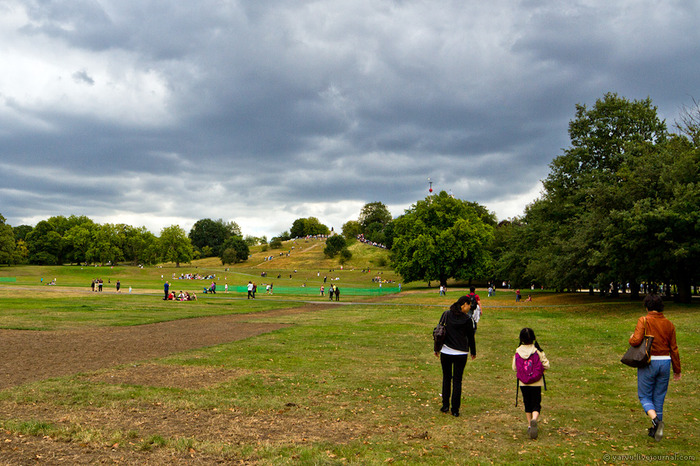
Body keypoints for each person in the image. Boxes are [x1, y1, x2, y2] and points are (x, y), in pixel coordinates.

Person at [629, 294, 681, 441]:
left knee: (644, 395)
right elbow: (674, 348)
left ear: (647, 307)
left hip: (650, 361)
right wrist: (677, 369)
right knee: (659, 397)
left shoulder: (644, 320)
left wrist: (631, 337)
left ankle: (656, 422)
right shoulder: (669, 324)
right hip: (665, 362)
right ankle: (656, 431)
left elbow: (636, 340)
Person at [434, 296, 477, 417]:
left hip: (446, 352)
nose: (469, 308)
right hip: (461, 353)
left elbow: (439, 331)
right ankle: (455, 409)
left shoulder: (446, 314)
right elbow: (470, 337)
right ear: (463, 304)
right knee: (457, 380)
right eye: (469, 305)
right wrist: (473, 351)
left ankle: (445, 405)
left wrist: (436, 348)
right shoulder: (467, 319)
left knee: (446, 378)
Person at [513, 327, 550, 439]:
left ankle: (530, 424)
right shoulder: (537, 350)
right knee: (536, 403)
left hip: (523, 383)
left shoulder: (518, 351)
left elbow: (515, 368)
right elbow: (546, 365)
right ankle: (535, 419)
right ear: (533, 338)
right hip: (536, 382)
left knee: (527, 402)